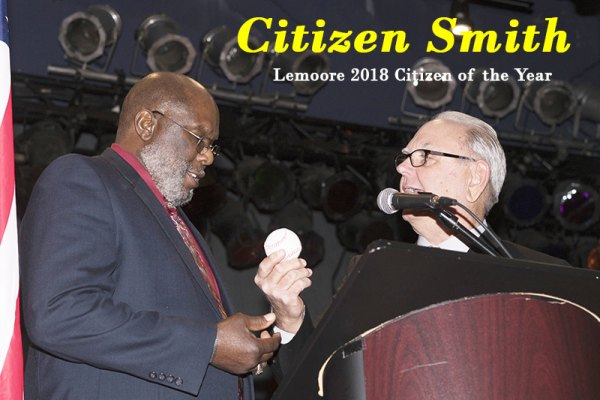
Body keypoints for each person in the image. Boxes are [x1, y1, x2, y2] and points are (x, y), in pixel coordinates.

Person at [19, 72, 312, 400]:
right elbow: (60, 312)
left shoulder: (181, 223)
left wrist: (282, 325)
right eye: (198, 138)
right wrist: (209, 345)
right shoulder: (83, 178)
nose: (209, 157)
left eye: (212, 145)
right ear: (146, 124)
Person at [395, 110, 568, 263]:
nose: (401, 167)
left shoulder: (545, 277)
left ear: (476, 178)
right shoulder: (379, 269)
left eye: (424, 156)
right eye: (405, 157)